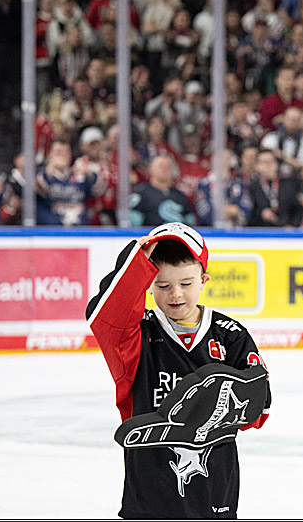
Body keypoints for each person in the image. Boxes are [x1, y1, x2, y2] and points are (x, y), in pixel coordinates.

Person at [87, 222, 270, 518]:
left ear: (204, 279)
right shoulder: (137, 335)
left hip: (215, 491)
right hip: (150, 494)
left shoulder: (231, 335)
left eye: (186, 284)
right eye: (162, 285)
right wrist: (137, 261)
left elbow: (258, 409)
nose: (175, 294)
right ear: (147, 283)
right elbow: (104, 316)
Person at [129, 154, 196, 227]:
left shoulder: (180, 195)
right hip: (152, 236)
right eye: (161, 166)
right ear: (151, 169)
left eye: (168, 167)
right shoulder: (141, 193)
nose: (164, 169)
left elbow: (190, 222)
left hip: (176, 237)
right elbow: (133, 223)